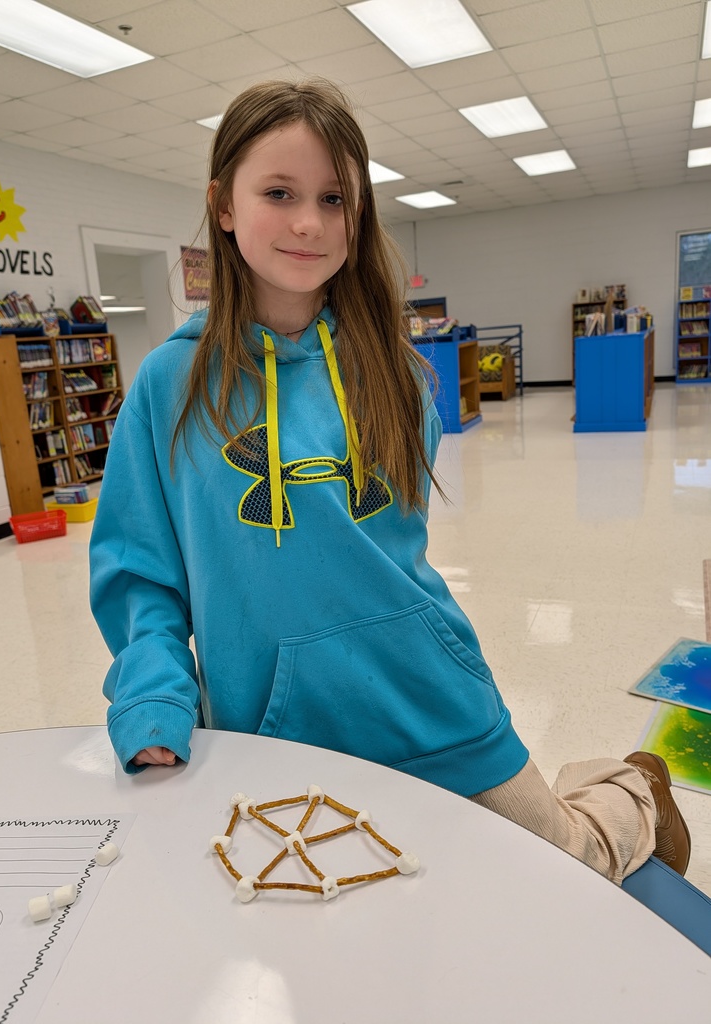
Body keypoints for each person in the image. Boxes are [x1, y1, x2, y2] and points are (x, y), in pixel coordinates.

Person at [89, 78, 690, 885]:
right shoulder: (169, 386)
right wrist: (154, 701)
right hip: (273, 723)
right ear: (223, 205)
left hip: (425, 694)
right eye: (278, 192)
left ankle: (635, 793)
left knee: (560, 868)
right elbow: (140, 580)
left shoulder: (395, 372)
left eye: (335, 198)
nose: (309, 221)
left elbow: (389, 547)